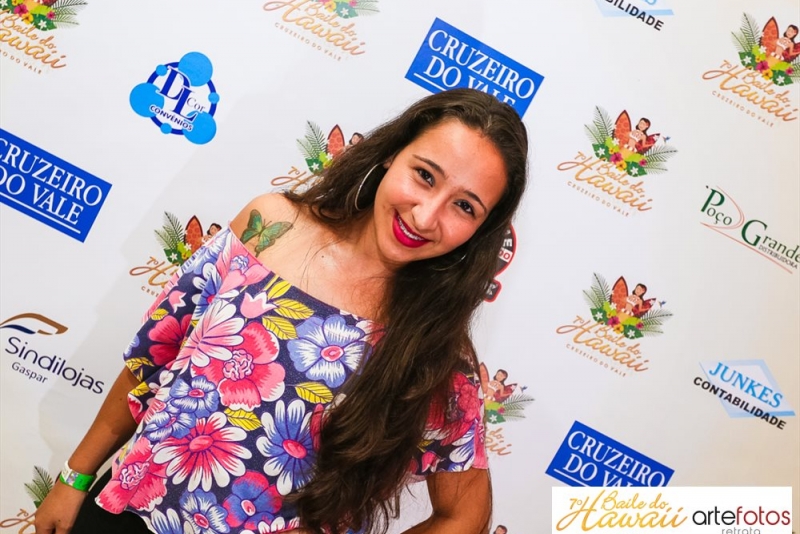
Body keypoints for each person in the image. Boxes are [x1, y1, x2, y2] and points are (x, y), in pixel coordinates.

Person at [34, 88, 529, 534]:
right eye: (424, 176)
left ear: (482, 232)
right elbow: (150, 362)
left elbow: (464, 515)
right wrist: (74, 476)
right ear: (390, 155)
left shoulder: (438, 354)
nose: (425, 215)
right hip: (124, 516)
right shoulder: (268, 227)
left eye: (465, 206)